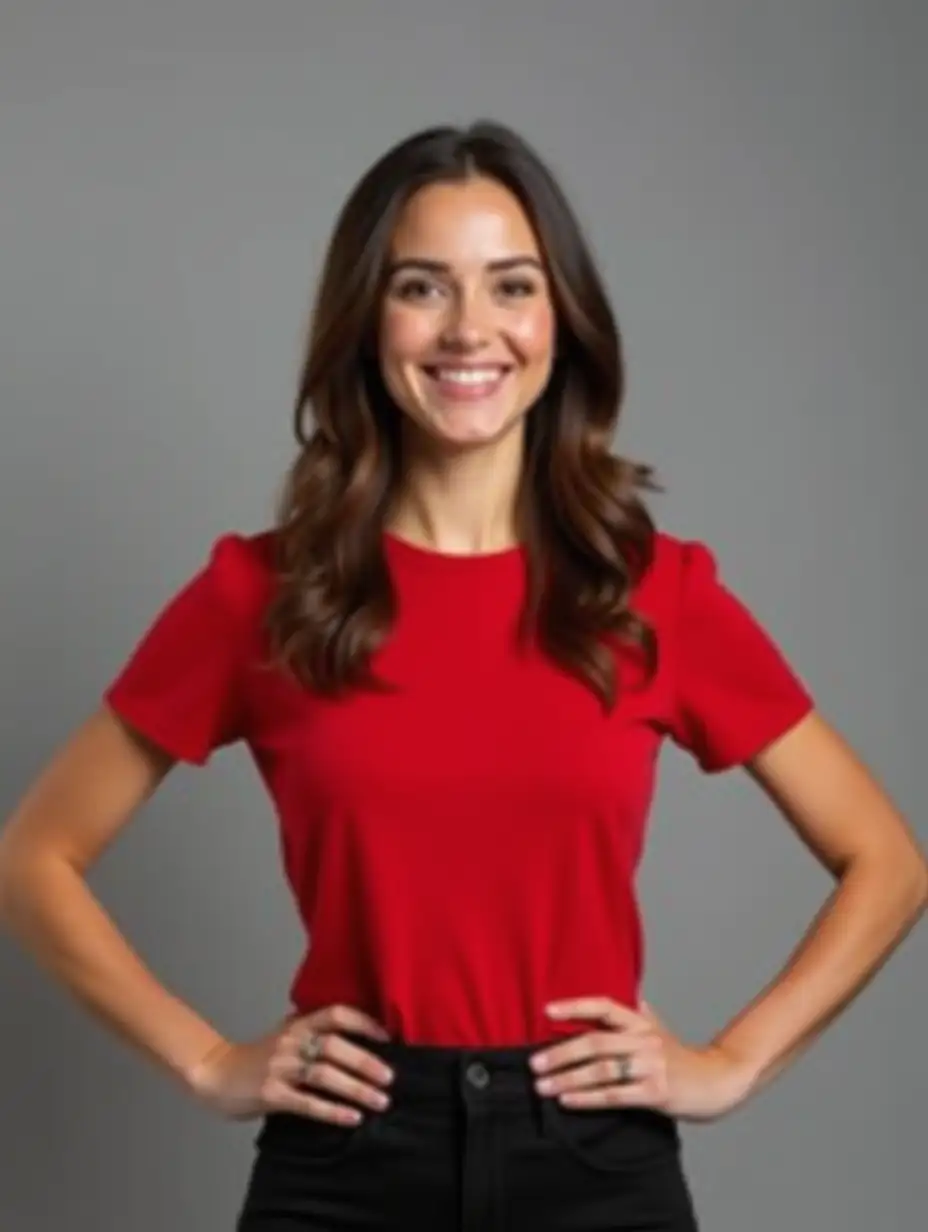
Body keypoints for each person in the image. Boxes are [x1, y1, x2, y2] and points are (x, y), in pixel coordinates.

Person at [1, 120, 925, 1232]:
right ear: (367, 322)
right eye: (423, 288)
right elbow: (33, 855)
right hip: (343, 1164)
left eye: (511, 285)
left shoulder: (649, 594)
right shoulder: (265, 593)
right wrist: (205, 1060)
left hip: (593, 1165)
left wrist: (727, 1062)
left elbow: (886, 860)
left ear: (559, 322)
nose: (469, 330)